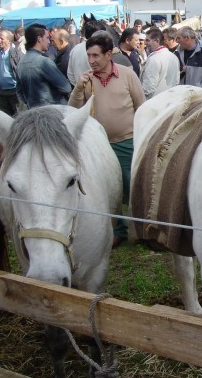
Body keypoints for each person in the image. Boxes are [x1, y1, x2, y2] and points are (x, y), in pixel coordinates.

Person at [68, 32, 145, 248]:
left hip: (126, 141)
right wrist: (77, 88)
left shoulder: (127, 74)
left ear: (108, 54)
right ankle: (119, 230)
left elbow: (141, 106)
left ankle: (141, 228)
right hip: (98, 145)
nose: (91, 61)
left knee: (133, 187)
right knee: (109, 189)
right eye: (88, 56)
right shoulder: (86, 80)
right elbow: (72, 112)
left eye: (95, 56)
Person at [16, 24, 71, 108]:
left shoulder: (21, 62)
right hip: (52, 112)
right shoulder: (44, 62)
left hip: (33, 112)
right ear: (39, 39)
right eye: (47, 38)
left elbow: (20, 93)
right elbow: (66, 87)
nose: (49, 42)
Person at [174, 26, 202, 91]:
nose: (177, 41)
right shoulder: (176, 54)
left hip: (199, 98)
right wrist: (182, 69)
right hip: (181, 96)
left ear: (187, 38)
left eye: (178, 38)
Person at [140, 27, 180, 99]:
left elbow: (148, 88)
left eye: (147, 40)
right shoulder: (174, 57)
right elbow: (177, 81)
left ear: (156, 41)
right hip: (170, 101)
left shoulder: (154, 59)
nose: (145, 43)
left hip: (155, 103)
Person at [0, 29, 21, 116]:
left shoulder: (16, 53)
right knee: (4, 117)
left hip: (14, 91)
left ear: (8, 40)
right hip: (2, 91)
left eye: (1, 38)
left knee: (17, 116)